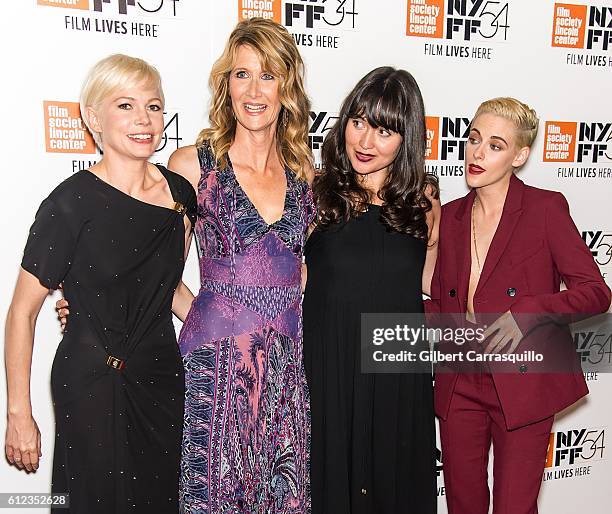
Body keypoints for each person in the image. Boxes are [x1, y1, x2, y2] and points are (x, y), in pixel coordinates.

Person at [5, 54, 196, 513]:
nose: (144, 120)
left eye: (153, 106)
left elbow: (166, 288)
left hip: (162, 377)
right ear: (94, 118)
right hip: (89, 380)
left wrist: (238, 338)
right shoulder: (70, 204)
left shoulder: (181, 196)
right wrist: (18, 413)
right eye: (125, 106)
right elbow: (22, 311)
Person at [428, 97, 611, 514]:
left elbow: (596, 291)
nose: (477, 152)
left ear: (520, 155)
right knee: (463, 505)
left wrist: (528, 313)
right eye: (474, 139)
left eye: (495, 145)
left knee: (514, 506)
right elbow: (443, 299)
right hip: (461, 382)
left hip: (523, 378)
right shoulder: (451, 217)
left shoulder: (545, 209)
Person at [166, 18, 314, 512]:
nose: (253, 90)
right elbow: (161, 272)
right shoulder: (195, 165)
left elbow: (302, 270)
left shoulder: (304, 174)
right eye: (241, 74)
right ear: (226, 83)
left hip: (284, 372)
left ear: (286, 87)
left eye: (267, 75)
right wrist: (213, 317)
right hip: (215, 367)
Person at [303, 66, 440, 514]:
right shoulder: (315, 193)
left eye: (384, 131)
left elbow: (431, 285)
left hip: (398, 369)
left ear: (407, 139)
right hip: (331, 365)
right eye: (358, 123)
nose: (365, 142)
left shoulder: (424, 202)